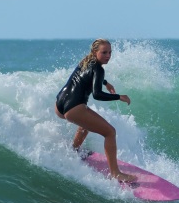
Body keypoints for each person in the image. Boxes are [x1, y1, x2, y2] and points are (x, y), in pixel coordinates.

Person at [55, 39, 136, 183]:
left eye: (110, 52)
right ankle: (116, 173)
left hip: (59, 104)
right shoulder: (99, 69)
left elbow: (91, 75)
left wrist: (106, 82)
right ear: (95, 52)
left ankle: (74, 149)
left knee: (86, 122)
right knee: (110, 132)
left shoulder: (85, 61)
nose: (108, 55)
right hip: (73, 108)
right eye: (104, 52)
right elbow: (97, 94)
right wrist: (118, 97)